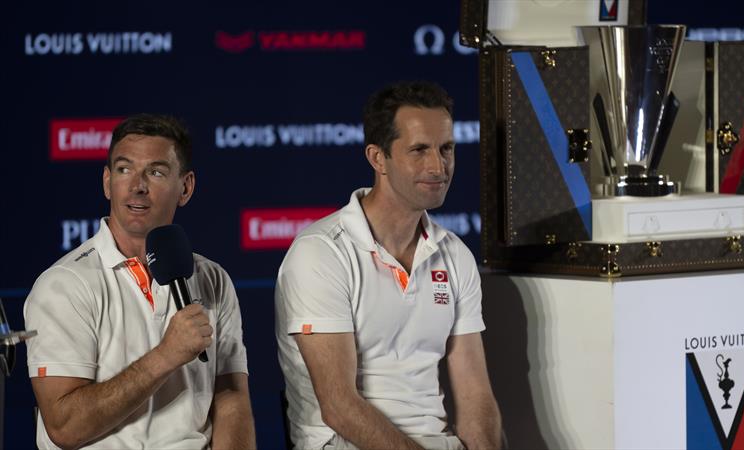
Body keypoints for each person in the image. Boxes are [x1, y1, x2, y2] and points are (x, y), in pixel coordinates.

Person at [275, 81, 501, 449]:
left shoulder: (455, 254)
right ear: (378, 158)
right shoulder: (320, 253)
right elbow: (339, 408)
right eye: (419, 151)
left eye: (446, 149)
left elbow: (476, 396)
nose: (438, 166)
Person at [24, 114, 256, 449]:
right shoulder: (64, 284)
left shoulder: (212, 278)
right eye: (124, 169)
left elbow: (231, 399)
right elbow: (64, 427)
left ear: (186, 187)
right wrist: (165, 355)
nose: (137, 185)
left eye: (156, 172)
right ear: (107, 182)